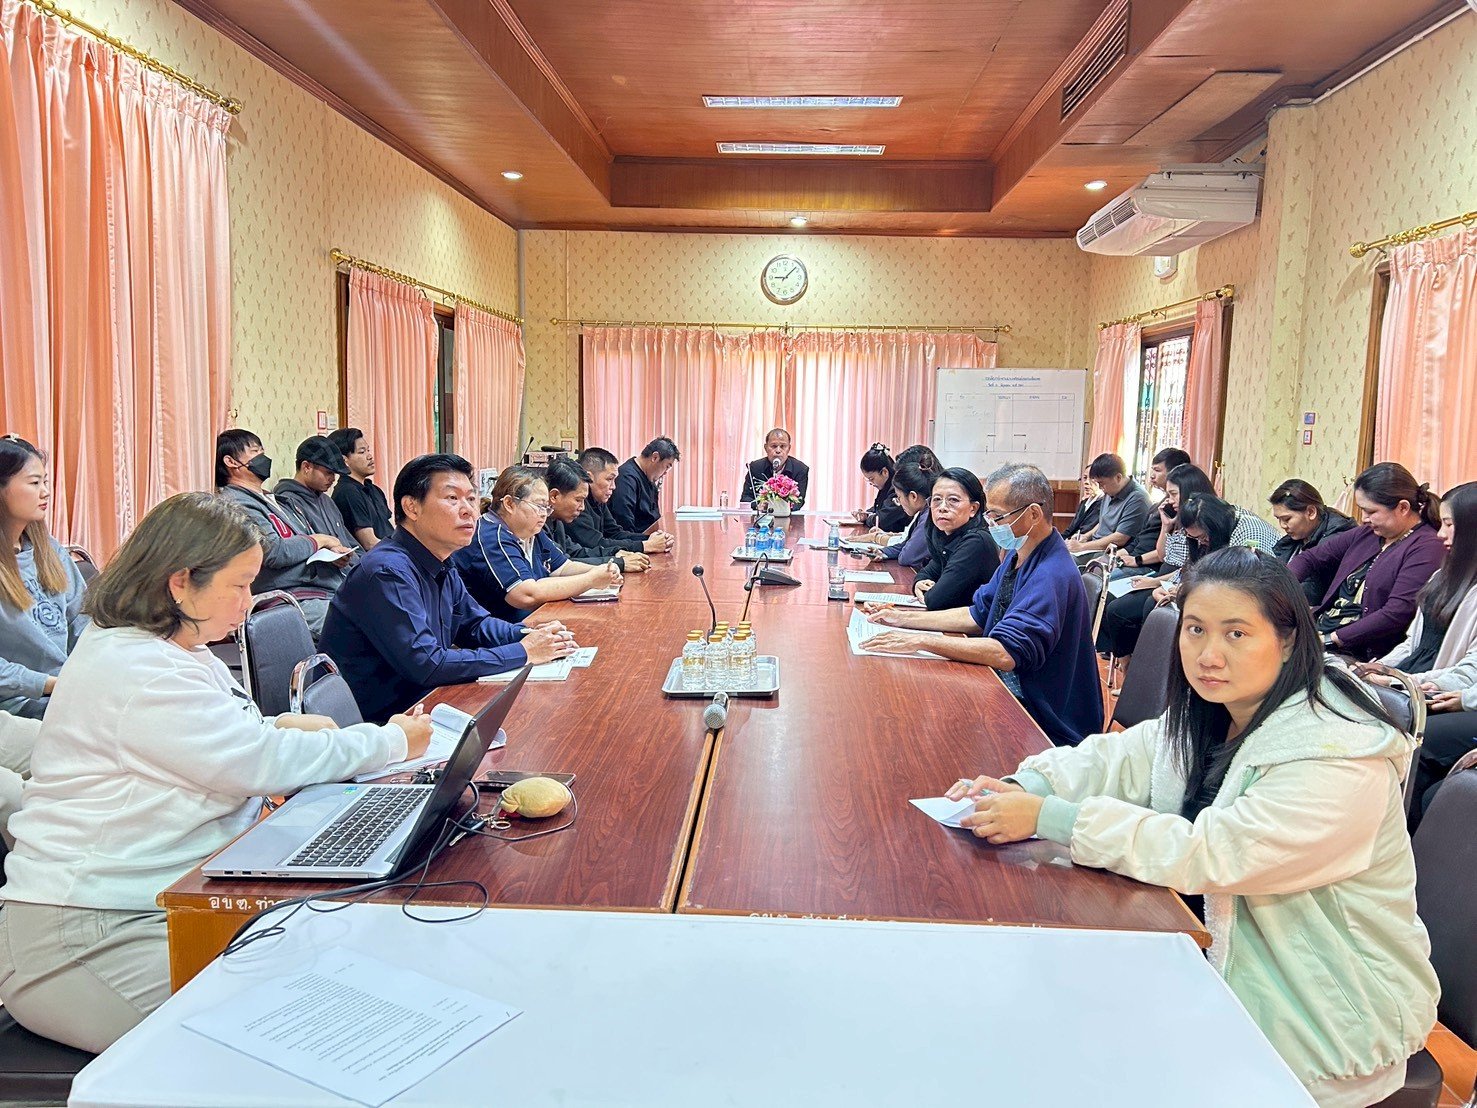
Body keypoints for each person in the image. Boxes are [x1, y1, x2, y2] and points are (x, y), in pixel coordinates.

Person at [946, 547, 1438, 1108]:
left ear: (1288, 641)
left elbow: (1216, 853)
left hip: (1319, 1002)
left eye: (1236, 634)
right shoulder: (1218, 711)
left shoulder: (1338, 754)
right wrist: (1031, 784)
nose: (1208, 655)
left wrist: (1054, 818)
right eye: (1196, 629)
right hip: (1214, 953)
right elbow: (1121, 757)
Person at [0, 492, 432, 1053]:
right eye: (238, 585)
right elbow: (253, 764)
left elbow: (225, 741)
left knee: (343, 975)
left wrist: (277, 727)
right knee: (293, 1033)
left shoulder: (177, 650)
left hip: (162, 901)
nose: (248, 604)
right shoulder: (139, 667)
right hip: (90, 938)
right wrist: (391, 740)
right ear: (181, 583)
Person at [319, 454, 577, 723]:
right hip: (377, 726)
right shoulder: (388, 571)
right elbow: (427, 664)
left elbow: (475, 625)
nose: (469, 511)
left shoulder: (441, 560)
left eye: (471, 498)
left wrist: (532, 634)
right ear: (411, 507)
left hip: (423, 704)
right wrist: (524, 651)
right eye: (452, 499)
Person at [865, 463, 1103, 746]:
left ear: (1034, 514)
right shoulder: (1018, 556)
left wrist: (921, 641)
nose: (990, 522)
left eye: (998, 516)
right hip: (1009, 689)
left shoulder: (1052, 573)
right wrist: (902, 619)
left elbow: (1006, 652)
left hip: (1042, 720)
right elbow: (977, 614)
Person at [1353, 482, 1477, 824]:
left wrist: (1401, 682)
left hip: (1445, 686)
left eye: (1450, 524)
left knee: (1412, 743)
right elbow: (1412, 643)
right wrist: (1381, 668)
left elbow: (1469, 672)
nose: (1440, 534)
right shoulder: (1442, 576)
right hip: (1424, 678)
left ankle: (1397, 842)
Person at [1291, 462, 1445, 661]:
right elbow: (1310, 558)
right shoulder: (1367, 534)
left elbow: (1395, 614)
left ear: (1403, 507)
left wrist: (1329, 640)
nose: (1363, 518)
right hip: (1322, 632)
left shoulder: (1427, 547)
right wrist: (1283, 585)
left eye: (1371, 512)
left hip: (1360, 652)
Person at [215, 429, 352, 635]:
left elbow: (303, 545)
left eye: (263, 451)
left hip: (323, 589)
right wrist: (320, 540)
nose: (264, 458)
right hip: (293, 597)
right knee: (364, 630)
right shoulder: (236, 503)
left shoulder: (277, 501)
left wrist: (331, 556)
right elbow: (274, 551)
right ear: (231, 462)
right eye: (255, 452)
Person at [451, 465, 623, 622]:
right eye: (539, 506)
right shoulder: (491, 536)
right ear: (510, 504)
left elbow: (562, 567)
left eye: (547, 507)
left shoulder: (532, 531)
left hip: (536, 620)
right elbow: (526, 595)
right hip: (500, 633)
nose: (545, 514)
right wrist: (591, 579)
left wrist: (603, 571)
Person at [0, 437, 88, 719]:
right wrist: (49, 685)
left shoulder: (49, 549)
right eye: (34, 482)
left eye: (45, 482)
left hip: (68, 689)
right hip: (19, 703)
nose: (46, 492)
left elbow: (82, 617)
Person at [1097, 493, 1239, 660]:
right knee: (1116, 597)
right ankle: (1133, 669)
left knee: (1145, 605)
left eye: (1174, 493)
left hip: (1176, 581)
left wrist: (1172, 589)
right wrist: (1158, 583)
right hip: (1171, 579)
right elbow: (1186, 566)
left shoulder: (1225, 532)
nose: (1170, 500)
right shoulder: (1180, 524)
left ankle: (1146, 669)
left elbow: (1164, 558)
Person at [912, 468, 999, 611]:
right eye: (937, 499)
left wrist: (928, 591)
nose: (942, 507)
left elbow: (935, 600)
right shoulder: (947, 536)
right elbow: (928, 571)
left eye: (953, 500)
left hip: (972, 631)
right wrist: (919, 582)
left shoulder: (976, 541)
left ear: (973, 508)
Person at [542, 457, 649, 572]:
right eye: (578, 500)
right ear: (554, 496)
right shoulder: (539, 525)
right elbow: (565, 564)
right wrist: (619, 563)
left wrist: (615, 552)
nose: (582, 507)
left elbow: (575, 552)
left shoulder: (556, 521)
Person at [273, 436, 363, 564]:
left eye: (334, 474)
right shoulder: (287, 503)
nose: (332, 479)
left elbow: (349, 542)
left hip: (350, 573)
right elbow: (298, 551)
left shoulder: (327, 501)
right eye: (328, 472)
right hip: (324, 579)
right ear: (306, 467)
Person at [570, 447, 669, 559]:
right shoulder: (575, 505)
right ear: (589, 477)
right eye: (609, 479)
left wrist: (651, 538)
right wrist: (644, 546)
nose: (614, 487)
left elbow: (615, 533)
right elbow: (596, 543)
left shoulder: (598, 499)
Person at [1268, 479, 1355, 605]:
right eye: (1278, 519)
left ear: (1311, 512)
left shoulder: (1337, 536)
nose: (1282, 525)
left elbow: (1314, 592)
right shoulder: (1297, 537)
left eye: (1287, 519)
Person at [1115, 447, 1191, 572]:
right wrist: (1118, 554)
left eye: (1157, 470)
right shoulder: (1160, 504)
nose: (1151, 476)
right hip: (1135, 558)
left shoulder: (1178, 508)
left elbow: (1166, 555)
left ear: (1175, 471)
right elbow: (1140, 538)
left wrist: (1137, 560)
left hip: (1148, 566)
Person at [1065, 454, 1150, 560]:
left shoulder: (1138, 498)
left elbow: (1120, 538)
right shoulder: (1110, 490)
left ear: (1118, 477)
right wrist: (1086, 536)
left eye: (1101, 483)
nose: (1100, 487)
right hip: (1095, 545)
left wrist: (1082, 547)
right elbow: (1103, 521)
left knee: (1068, 561)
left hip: (1111, 551)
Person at [329, 427, 394, 550]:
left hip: (391, 553)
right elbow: (369, 543)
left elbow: (389, 529)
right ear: (344, 460)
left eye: (368, 450)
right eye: (362, 452)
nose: (369, 456)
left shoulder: (374, 490)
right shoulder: (347, 492)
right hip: (376, 561)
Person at [870, 461, 935, 568]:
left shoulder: (929, 516)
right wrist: (883, 552)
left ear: (913, 496)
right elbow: (906, 544)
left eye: (899, 498)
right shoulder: (923, 512)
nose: (899, 503)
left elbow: (907, 557)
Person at [612, 437, 680, 534]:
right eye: (667, 466)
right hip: (635, 543)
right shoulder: (626, 479)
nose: (665, 473)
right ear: (655, 457)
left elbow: (654, 518)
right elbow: (625, 525)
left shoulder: (649, 478)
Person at [741, 428, 809, 508]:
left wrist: (777, 506)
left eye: (783, 446)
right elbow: (745, 499)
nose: (778, 450)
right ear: (766, 448)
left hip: (787, 516)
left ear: (789, 448)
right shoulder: (755, 467)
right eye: (773, 446)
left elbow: (799, 501)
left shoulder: (800, 469)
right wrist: (758, 505)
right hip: (760, 517)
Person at [851, 444, 908, 532]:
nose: (871, 483)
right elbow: (878, 508)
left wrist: (868, 518)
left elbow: (882, 519)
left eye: (872, 479)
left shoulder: (898, 488)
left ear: (885, 472)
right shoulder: (886, 486)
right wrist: (865, 514)